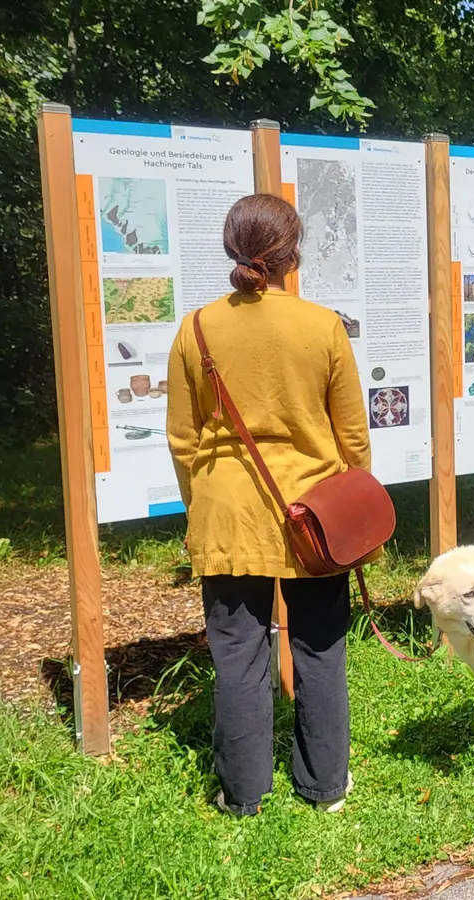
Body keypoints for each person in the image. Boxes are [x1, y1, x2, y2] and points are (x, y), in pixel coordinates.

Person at [166, 193, 371, 817]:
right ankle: (325, 787)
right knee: (319, 647)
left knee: (236, 656)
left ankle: (243, 792)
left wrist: (199, 504)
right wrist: (351, 499)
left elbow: (183, 439)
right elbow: (352, 436)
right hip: (312, 513)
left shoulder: (196, 328)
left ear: (233, 249)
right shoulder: (322, 326)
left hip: (228, 514)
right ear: (292, 253)